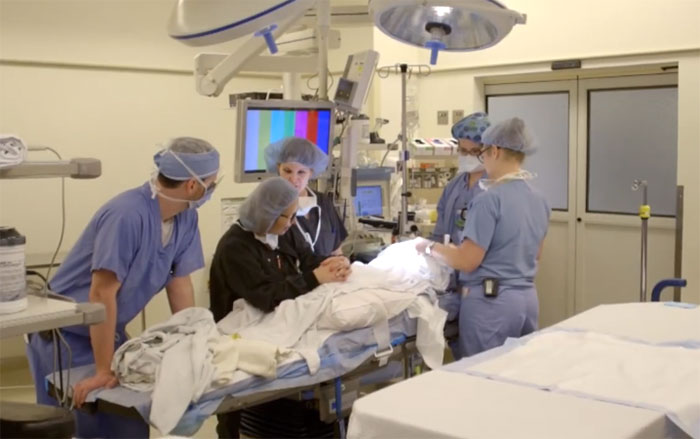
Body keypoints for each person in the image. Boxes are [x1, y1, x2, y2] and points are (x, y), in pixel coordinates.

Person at [25, 137, 220, 439]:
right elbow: (101, 294)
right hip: (65, 338)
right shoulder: (127, 214)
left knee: (128, 424)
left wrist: (193, 345)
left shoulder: (186, 218)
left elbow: (178, 282)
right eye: (211, 182)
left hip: (109, 331)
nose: (212, 187)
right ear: (193, 186)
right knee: (83, 423)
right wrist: (103, 370)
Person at [209, 177, 351, 439]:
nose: (293, 223)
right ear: (267, 215)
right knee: (231, 417)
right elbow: (267, 296)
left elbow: (307, 259)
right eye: (288, 217)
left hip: (275, 322)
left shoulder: (280, 233)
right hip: (238, 335)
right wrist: (315, 278)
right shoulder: (235, 247)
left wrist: (332, 263)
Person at [417, 118, 550, 359]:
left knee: (482, 380)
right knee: (518, 373)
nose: (481, 160)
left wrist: (429, 247)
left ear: (495, 151)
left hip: (491, 305)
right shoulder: (538, 198)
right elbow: (536, 253)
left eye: (482, 153)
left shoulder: (488, 199)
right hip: (526, 300)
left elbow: (468, 261)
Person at [265, 136, 348, 257]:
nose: (293, 179)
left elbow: (336, 251)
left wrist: (342, 266)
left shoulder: (324, 203)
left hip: (329, 274)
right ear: (278, 169)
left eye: (301, 172)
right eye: (287, 171)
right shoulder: (270, 207)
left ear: (311, 173)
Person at [431, 112, 490, 275]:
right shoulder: (453, 187)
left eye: (475, 152)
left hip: (484, 276)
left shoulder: (495, 188)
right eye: (463, 151)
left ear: (488, 151)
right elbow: (439, 234)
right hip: (451, 275)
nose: (468, 156)